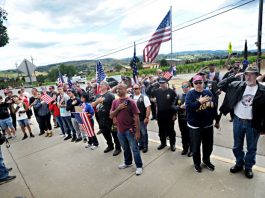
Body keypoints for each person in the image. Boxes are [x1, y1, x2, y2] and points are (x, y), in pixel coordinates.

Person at [218, 66, 265, 179]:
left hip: (253, 124)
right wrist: (233, 77)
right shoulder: (236, 86)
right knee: (237, 146)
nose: (248, 76)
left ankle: (248, 167)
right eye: (246, 74)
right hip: (238, 121)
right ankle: (239, 163)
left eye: (252, 74)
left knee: (251, 147)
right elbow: (220, 85)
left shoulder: (263, 91)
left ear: (256, 75)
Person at [185, 75, 218, 173]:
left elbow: (214, 107)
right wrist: (199, 102)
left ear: (203, 83)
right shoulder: (190, 94)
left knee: (208, 146)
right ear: (193, 84)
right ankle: (197, 163)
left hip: (208, 125)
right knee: (195, 147)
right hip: (195, 126)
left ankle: (206, 161)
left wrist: (217, 120)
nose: (199, 84)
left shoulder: (208, 92)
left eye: (200, 82)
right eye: (196, 83)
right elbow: (189, 109)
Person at [110, 83, 143, 176]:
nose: (118, 90)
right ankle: (128, 162)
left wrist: (137, 132)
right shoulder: (115, 102)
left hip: (130, 130)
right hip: (120, 131)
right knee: (125, 148)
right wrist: (118, 108)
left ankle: (139, 166)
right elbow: (111, 115)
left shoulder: (131, 102)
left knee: (135, 149)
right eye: (117, 89)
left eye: (120, 89)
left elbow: (136, 118)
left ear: (125, 90)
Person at [147, 77, 177, 151]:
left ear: (166, 83)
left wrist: (174, 114)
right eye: (160, 83)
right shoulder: (157, 91)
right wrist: (152, 84)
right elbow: (148, 92)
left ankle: (172, 144)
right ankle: (163, 143)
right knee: (161, 130)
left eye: (163, 83)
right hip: (160, 115)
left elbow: (175, 104)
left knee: (171, 131)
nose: (162, 84)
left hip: (169, 114)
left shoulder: (171, 92)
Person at [92, 81, 121, 156]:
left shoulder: (110, 95)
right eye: (100, 84)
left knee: (114, 134)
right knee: (105, 134)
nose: (100, 85)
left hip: (110, 119)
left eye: (102, 84)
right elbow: (92, 105)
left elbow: (115, 107)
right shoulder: (98, 95)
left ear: (106, 86)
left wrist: (115, 118)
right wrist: (98, 101)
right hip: (101, 119)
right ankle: (110, 146)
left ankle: (118, 148)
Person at [172, 81, 192, 157]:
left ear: (189, 87)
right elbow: (173, 106)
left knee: (190, 135)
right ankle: (185, 148)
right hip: (181, 119)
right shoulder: (179, 96)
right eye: (182, 87)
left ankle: (192, 150)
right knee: (183, 134)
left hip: (190, 119)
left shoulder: (192, 95)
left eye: (186, 86)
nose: (184, 88)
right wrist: (179, 107)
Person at [132, 83, 151, 153]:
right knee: (137, 132)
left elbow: (148, 108)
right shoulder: (132, 97)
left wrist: (147, 117)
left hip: (142, 119)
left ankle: (145, 146)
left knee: (144, 133)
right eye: (133, 89)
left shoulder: (144, 97)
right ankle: (141, 144)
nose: (134, 90)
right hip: (134, 120)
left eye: (136, 88)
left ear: (140, 89)